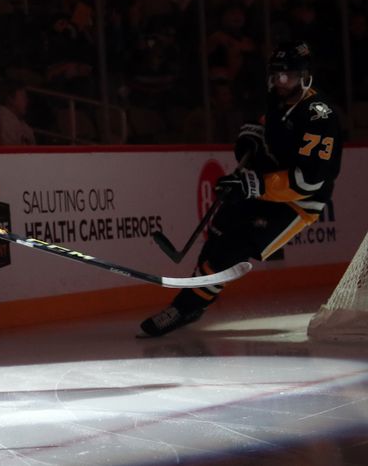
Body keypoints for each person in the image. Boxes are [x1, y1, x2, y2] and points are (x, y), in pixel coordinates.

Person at [139, 40, 342, 337]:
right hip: (264, 186)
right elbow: (267, 125)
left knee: (232, 251)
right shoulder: (279, 99)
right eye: (275, 76)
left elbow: (309, 180)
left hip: (296, 202)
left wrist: (254, 184)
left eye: (286, 76)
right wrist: (252, 135)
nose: (279, 82)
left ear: (304, 76)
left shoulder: (318, 115)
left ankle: (183, 307)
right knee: (219, 234)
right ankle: (195, 304)